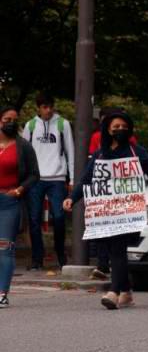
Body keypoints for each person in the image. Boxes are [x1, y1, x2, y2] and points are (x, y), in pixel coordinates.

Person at [64, 111, 148, 310]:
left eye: (124, 127)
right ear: (108, 129)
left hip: (127, 212)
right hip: (106, 214)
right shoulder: (100, 154)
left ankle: (114, 292)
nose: (120, 130)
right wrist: (71, 199)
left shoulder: (136, 152)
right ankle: (126, 293)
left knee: (117, 250)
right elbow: (86, 179)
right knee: (113, 251)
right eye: (116, 127)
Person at [22, 93, 74, 271]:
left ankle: (61, 255)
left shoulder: (63, 124)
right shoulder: (30, 125)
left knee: (59, 218)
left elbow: (70, 151)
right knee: (34, 219)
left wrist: (72, 178)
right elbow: (25, 153)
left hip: (57, 178)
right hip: (36, 179)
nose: (48, 110)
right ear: (39, 108)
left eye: (50, 106)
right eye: (44, 107)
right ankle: (37, 258)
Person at [0, 107, 40, 308]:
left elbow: (34, 174)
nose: (11, 123)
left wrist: (19, 190)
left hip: (9, 202)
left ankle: (2, 293)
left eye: (14, 120)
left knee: (5, 248)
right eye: (7, 119)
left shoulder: (23, 146)